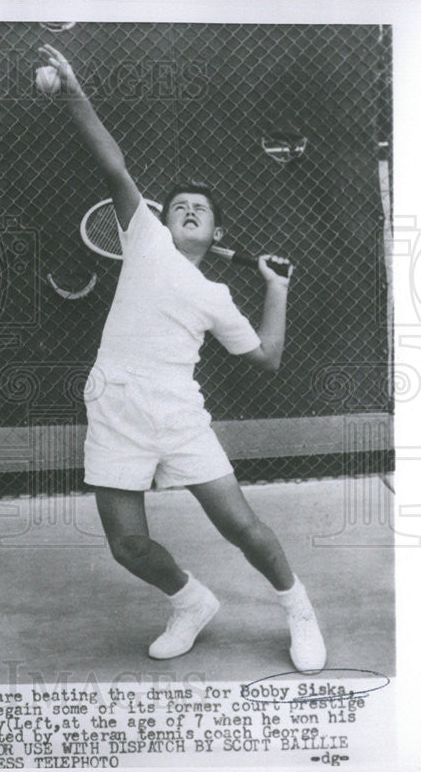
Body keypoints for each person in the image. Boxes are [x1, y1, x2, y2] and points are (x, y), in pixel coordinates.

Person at [39, 44, 325, 671]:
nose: (188, 208)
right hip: (114, 403)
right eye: (178, 206)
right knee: (128, 545)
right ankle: (192, 601)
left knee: (241, 527)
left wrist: (276, 289)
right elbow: (112, 164)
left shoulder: (217, 294)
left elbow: (268, 358)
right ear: (160, 221)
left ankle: (298, 607)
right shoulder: (142, 238)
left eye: (202, 209)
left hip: (176, 411)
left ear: (217, 234)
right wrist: (72, 90)